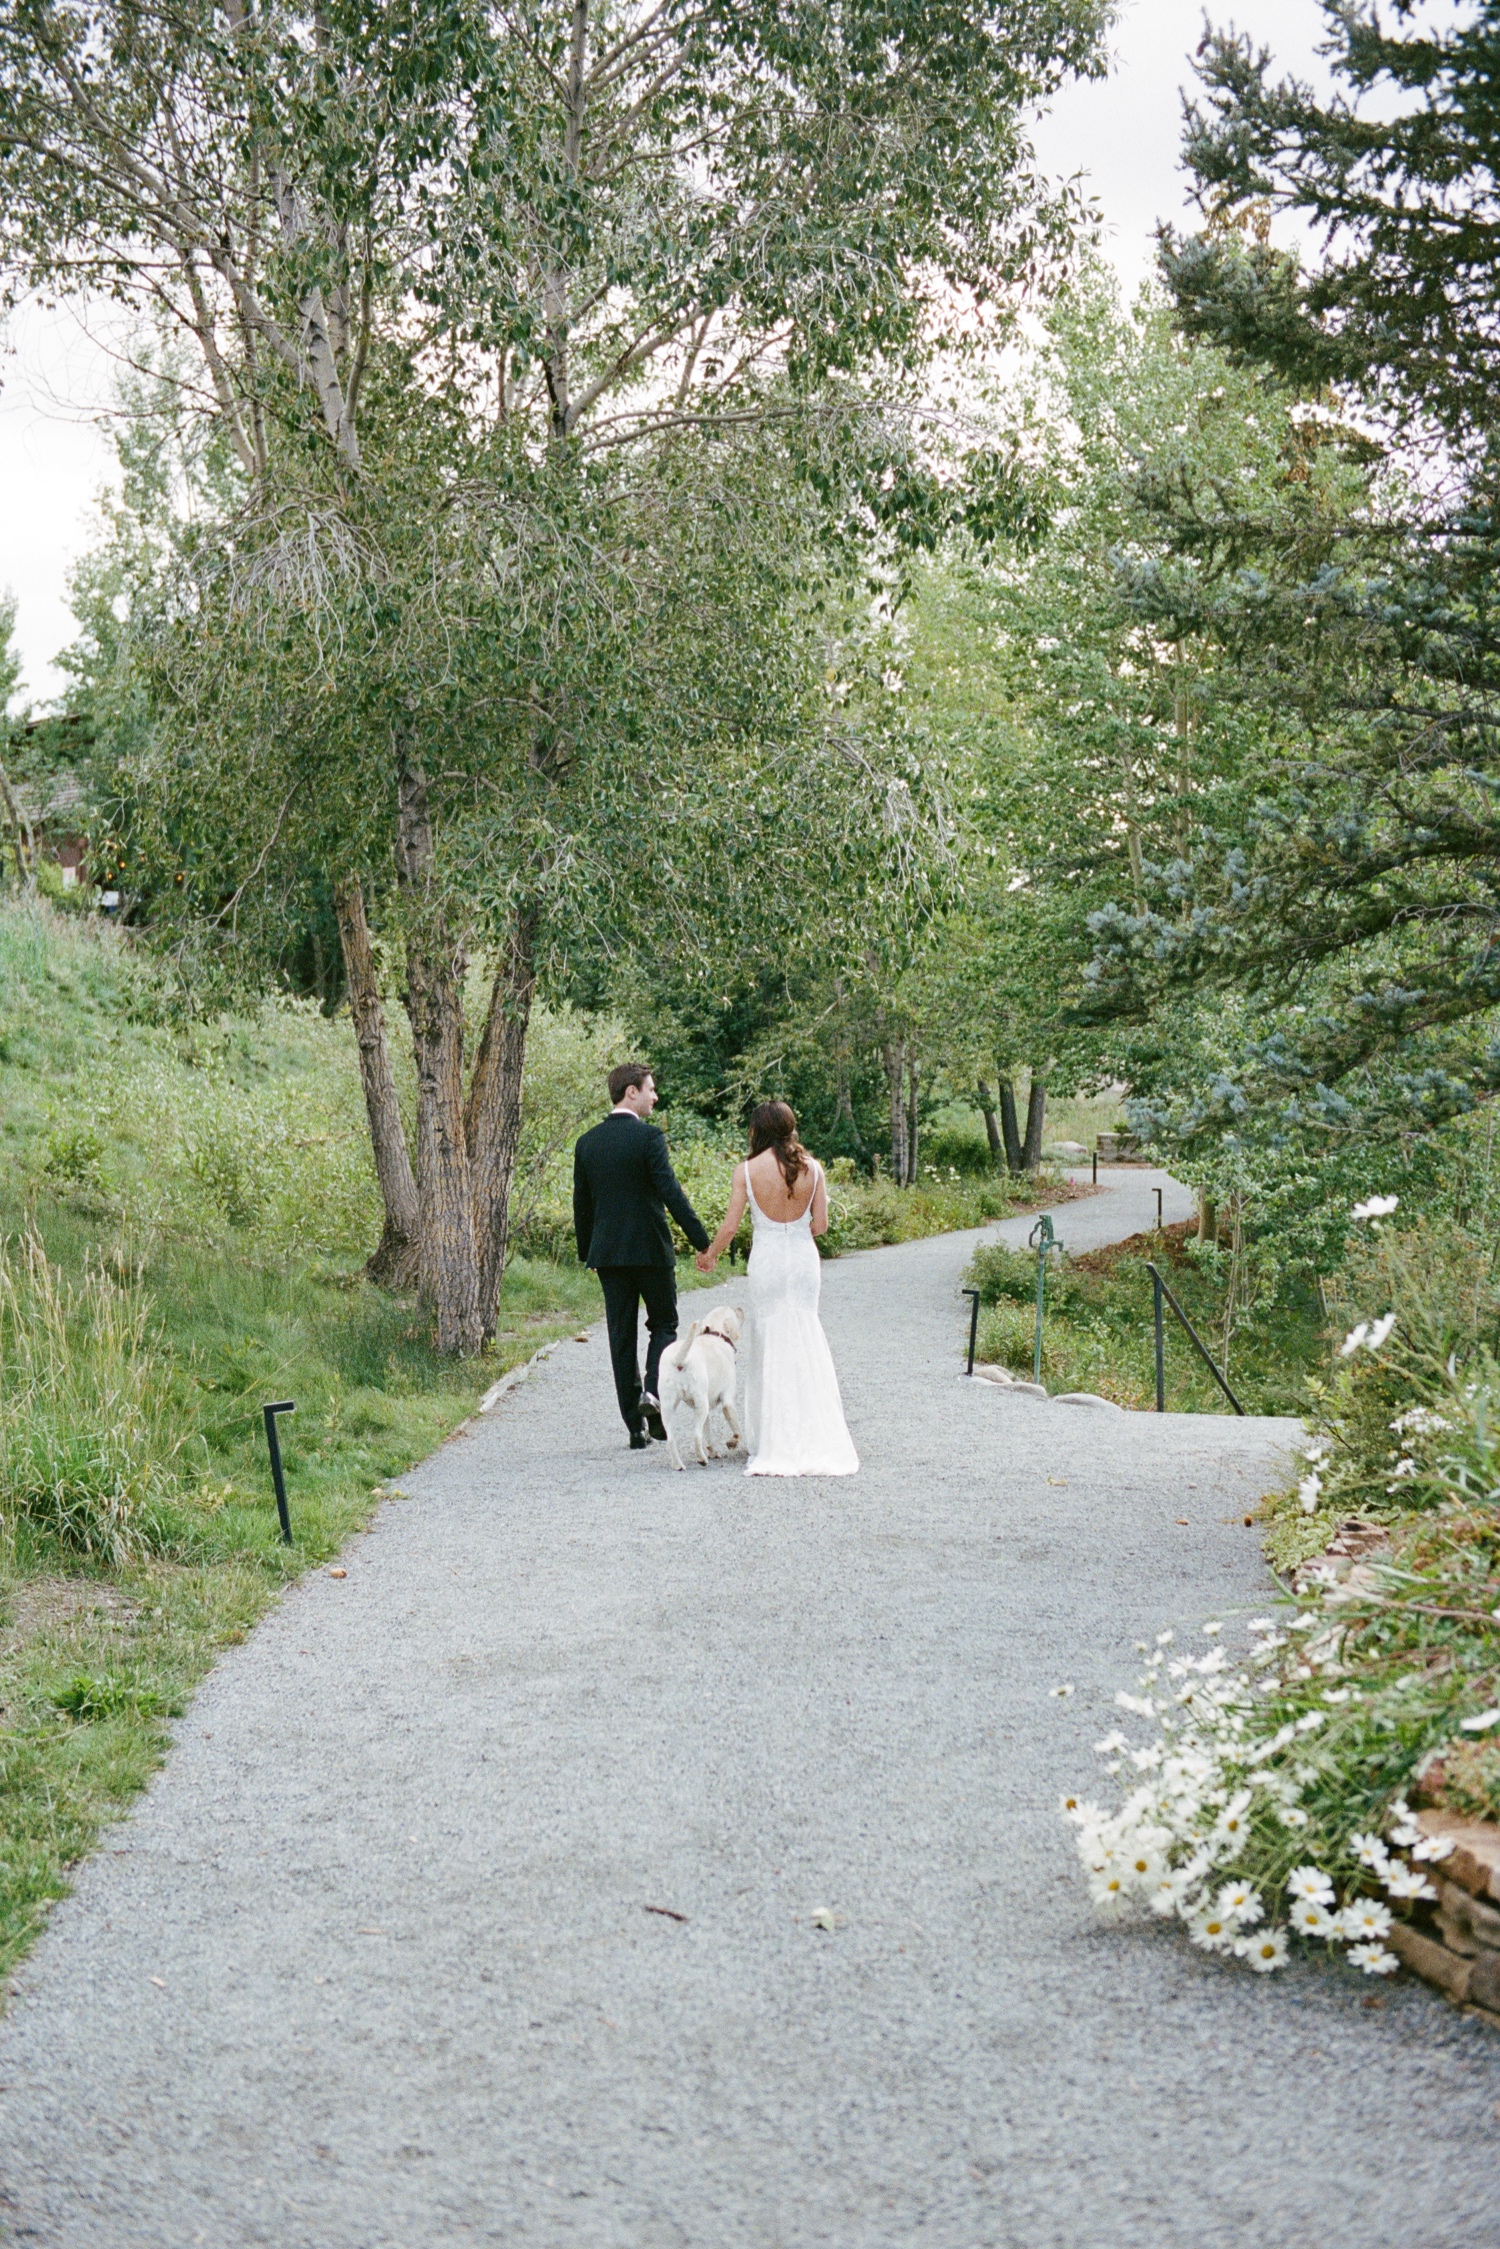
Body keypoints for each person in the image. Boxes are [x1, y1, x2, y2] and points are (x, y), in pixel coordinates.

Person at [697, 1101, 858, 1477]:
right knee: (805, 1335)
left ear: (758, 1130)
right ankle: (813, 1433)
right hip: (802, 1262)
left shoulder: (747, 1171)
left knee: (770, 1340)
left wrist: (711, 1256)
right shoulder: (813, 1168)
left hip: (768, 1262)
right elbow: (820, 1226)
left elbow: (730, 1227)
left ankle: (773, 1436)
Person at [574, 1063, 711, 1450]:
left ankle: (635, 1427)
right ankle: (653, 1393)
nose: (655, 1096)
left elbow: (581, 1205)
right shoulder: (649, 1138)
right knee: (664, 1323)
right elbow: (671, 1192)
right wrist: (702, 1241)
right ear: (630, 1092)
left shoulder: (587, 1142)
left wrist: (590, 1252)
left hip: (608, 1256)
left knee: (621, 1335)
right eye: (650, 1089)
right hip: (650, 1250)